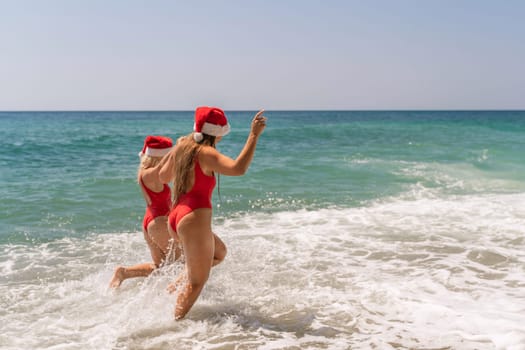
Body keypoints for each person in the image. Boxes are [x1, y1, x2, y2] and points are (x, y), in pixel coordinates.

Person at [159, 106, 267, 319]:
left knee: (219, 253)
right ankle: (171, 329)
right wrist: (253, 135)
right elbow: (238, 168)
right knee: (197, 283)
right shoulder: (206, 153)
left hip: (176, 218)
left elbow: (163, 177)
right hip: (193, 219)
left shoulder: (183, 147)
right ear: (217, 133)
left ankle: (172, 289)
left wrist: (174, 150)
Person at [110, 135, 181, 288]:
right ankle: (176, 295)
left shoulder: (145, 171)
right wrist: (179, 148)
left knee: (161, 267)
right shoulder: (149, 173)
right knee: (181, 262)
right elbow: (169, 165)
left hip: (151, 221)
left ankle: (124, 273)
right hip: (159, 222)